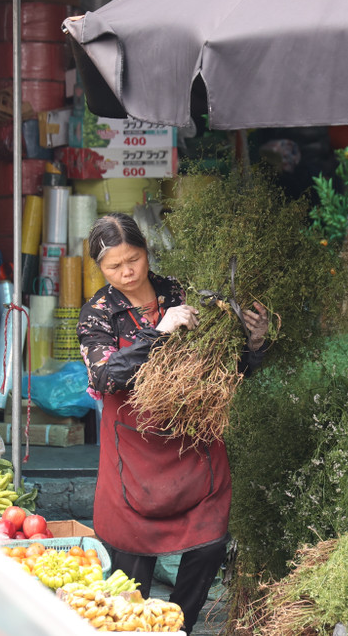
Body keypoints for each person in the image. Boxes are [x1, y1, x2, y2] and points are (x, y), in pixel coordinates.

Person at [76, 212, 269, 634]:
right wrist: (158, 332)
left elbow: (225, 367)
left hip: (192, 446)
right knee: (131, 576)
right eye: (114, 266)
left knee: (210, 545)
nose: (127, 272)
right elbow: (104, 376)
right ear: (100, 268)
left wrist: (254, 342)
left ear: (147, 251)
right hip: (134, 456)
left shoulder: (183, 291)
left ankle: (179, 627)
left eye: (134, 259)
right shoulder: (98, 314)